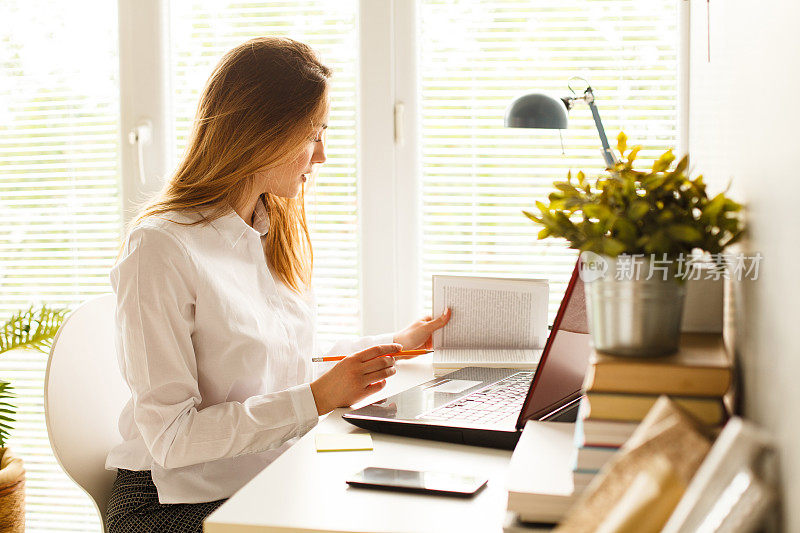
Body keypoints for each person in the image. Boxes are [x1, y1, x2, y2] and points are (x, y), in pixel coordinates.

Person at [105, 36, 451, 533]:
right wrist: (317, 398)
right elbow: (172, 439)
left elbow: (278, 364)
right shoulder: (161, 248)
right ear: (263, 134)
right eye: (314, 134)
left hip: (262, 476)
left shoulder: (266, 227)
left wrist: (393, 345)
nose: (322, 155)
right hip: (174, 503)